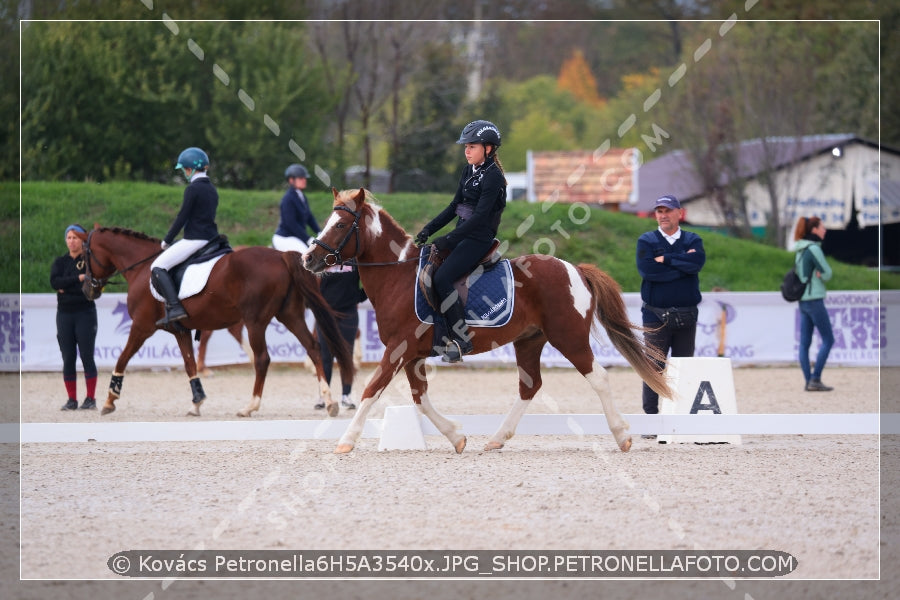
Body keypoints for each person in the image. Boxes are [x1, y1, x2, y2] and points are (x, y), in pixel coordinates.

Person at [415, 119, 507, 363]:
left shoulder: (493, 177)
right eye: (465, 146)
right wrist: (429, 229)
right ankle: (439, 336)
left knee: (443, 278)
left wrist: (449, 239)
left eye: (472, 146)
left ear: (488, 149)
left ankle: (462, 340)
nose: (466, 150)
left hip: (478, 237)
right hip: (463, 232)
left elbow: (479, 218)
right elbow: (454, 206)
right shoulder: (469, 171)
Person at [636, 195, 706, 433]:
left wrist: (666, 259)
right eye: (659, 211)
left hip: (686, 314)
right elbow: (648, 271)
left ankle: (682, 415)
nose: (663, 215)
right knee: (653, 366)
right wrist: (681, 266)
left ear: (679, 213)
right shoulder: (646, 240)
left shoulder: (693, 238)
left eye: (668, 210)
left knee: (684, 366)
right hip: (655, 315)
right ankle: (652, 419)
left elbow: (696, 264)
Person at [151, 147, 219, 327]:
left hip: (195, 239)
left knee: (158, 266)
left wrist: (167, 240)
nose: (184, 173)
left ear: (189, 169)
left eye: (184, 170)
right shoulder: (212, 189)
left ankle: (175, 308)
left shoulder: (193, 189)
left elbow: (183, 217)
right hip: (211, 238)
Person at [50, 224, 98, 410]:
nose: (72, 241)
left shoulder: (89, 261)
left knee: (87, 356)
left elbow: (90, 288)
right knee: (68, 357)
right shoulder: (60, 262)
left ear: (82, 240)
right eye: (69, 237)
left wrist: (67, 287)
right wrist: (77, 280)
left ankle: (90, 398)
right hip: (64, 315)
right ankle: (72, 400)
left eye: (75, 237)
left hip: (85, 313)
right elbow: (55, 282)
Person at [313, 262, 366, 411]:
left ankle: (346, 396)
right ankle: (324, 395)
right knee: (325, 356)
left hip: (348, 314)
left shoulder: (355, 262)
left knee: (346, 355)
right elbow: (313, 286)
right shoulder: (322, 261)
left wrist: (357, 297)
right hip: (326, 315)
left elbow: (369, 281)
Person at [793, 216, 834, 392]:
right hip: (815, 299)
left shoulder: (800, 249)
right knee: (828, 339)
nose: (825, 230)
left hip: (803, 300)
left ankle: (809, 381)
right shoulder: (814, 249)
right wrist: (821, 274)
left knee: (804, 343)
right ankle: (815, 378)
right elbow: (828, 274)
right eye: (822, 227)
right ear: (814, 230)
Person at [272, 164, 319, 252]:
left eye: (305, 178)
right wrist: (307, 238)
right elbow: (291, 223)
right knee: (306, 255)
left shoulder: (302, 196)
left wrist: (319, 232)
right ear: (291, 180)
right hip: (285, 237)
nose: (304, 180)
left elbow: (309, 217)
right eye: (301, 178)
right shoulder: (288, 198)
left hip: (296, 237)